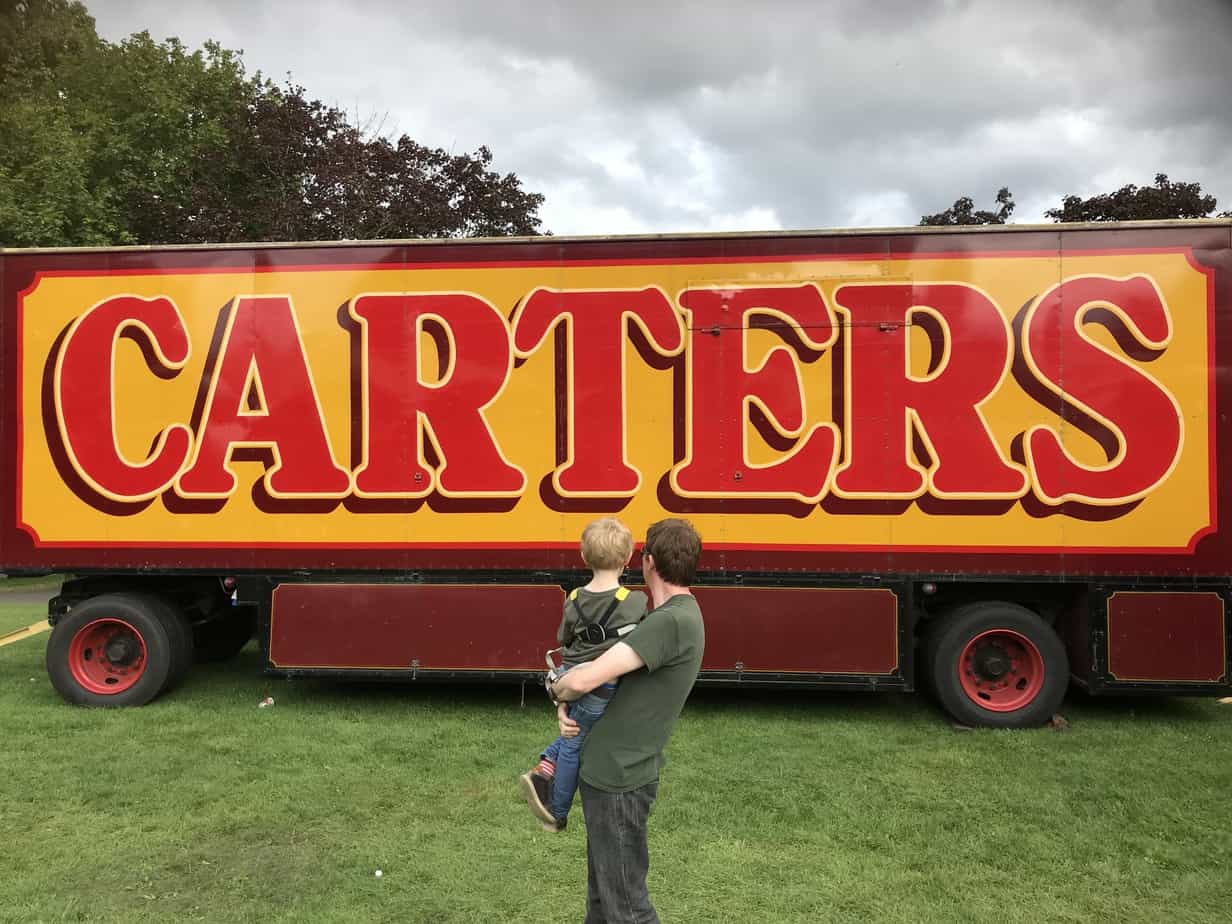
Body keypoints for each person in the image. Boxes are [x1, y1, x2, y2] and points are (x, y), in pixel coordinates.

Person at [550, 517, 704, 924]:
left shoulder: (669, 621)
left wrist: (556, 690)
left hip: (620, 778)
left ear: (647, 562)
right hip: (613, 774)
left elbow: (585, 676)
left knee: (627, 908)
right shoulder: (673, 615)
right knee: (603, 899)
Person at [519, 517, 648, 833]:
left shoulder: (574, 598)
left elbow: (563, 637)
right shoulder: (635, 600)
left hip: (570, 673)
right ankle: (557, 812)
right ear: (627, 557)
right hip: (603, 682)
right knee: (576, 741)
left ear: (585, 557)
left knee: (571, 733)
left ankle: (545, 767)